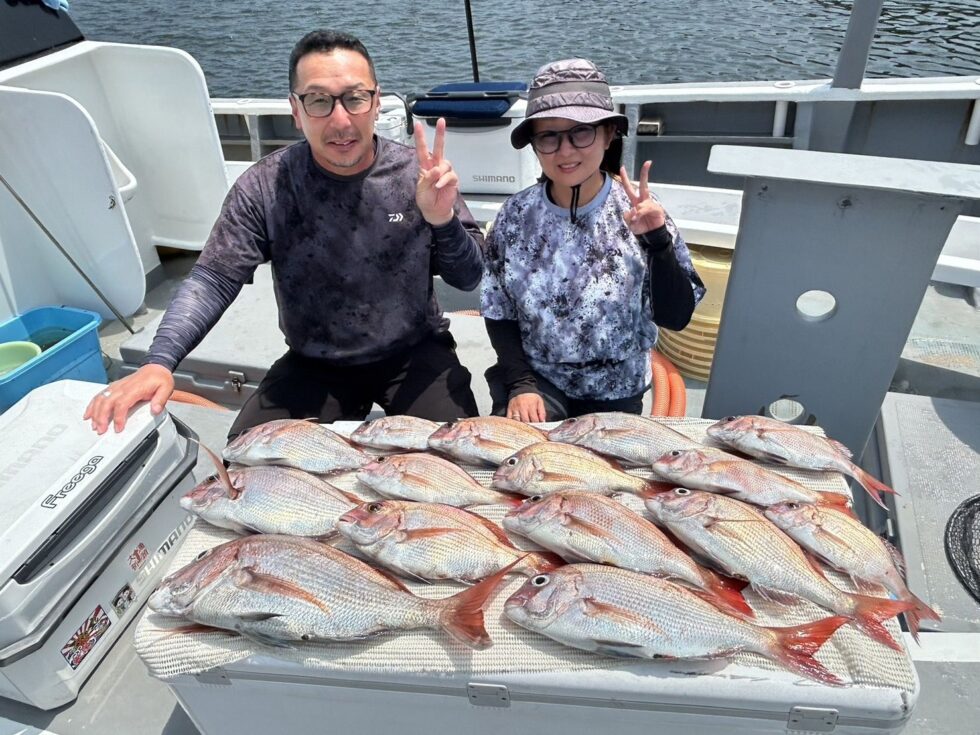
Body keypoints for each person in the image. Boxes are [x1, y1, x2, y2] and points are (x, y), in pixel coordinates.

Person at [85, 30, 484, 436]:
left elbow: (469, 277)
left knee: (459, 455)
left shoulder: (418, 175)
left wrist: (442, 219)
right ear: (295, 110)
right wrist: (159, 361)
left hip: (413, 353)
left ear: (376, 101)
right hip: (316, 362)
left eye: (355, 98)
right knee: (249, 465)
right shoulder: (266, 186)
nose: (341, 120)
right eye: (318, 101)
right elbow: (213, 278)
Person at [481, 58, 705, 423]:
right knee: (521, 463)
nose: (565, 151)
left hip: (617, 388)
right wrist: (521, 383)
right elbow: (497, 309)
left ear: (607, 134)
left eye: (580, 132)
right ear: (534, 144)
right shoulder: (514, 215)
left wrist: (659, 244)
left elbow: (676, 317)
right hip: (540, 382)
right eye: (548, 136)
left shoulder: (641, 213)